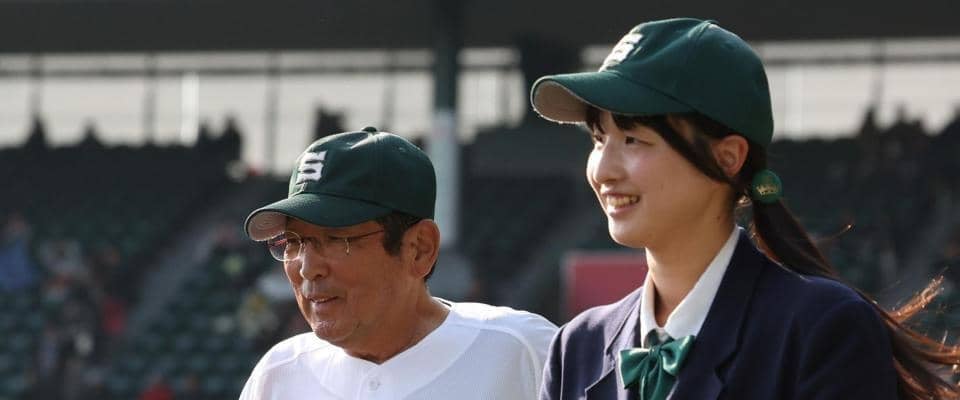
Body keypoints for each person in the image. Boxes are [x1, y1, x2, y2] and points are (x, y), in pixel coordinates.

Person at [529, 18, 960, 400]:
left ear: (728, 157)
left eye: (633, 140)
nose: (603, 170)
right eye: (598, 139)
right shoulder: (577, 347)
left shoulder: (822, 329)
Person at [239, 126, 557, 399]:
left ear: (419, 249)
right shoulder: (278, 375)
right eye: (294, 242)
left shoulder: (522, 350)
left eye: (336, 239)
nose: (308, 268)